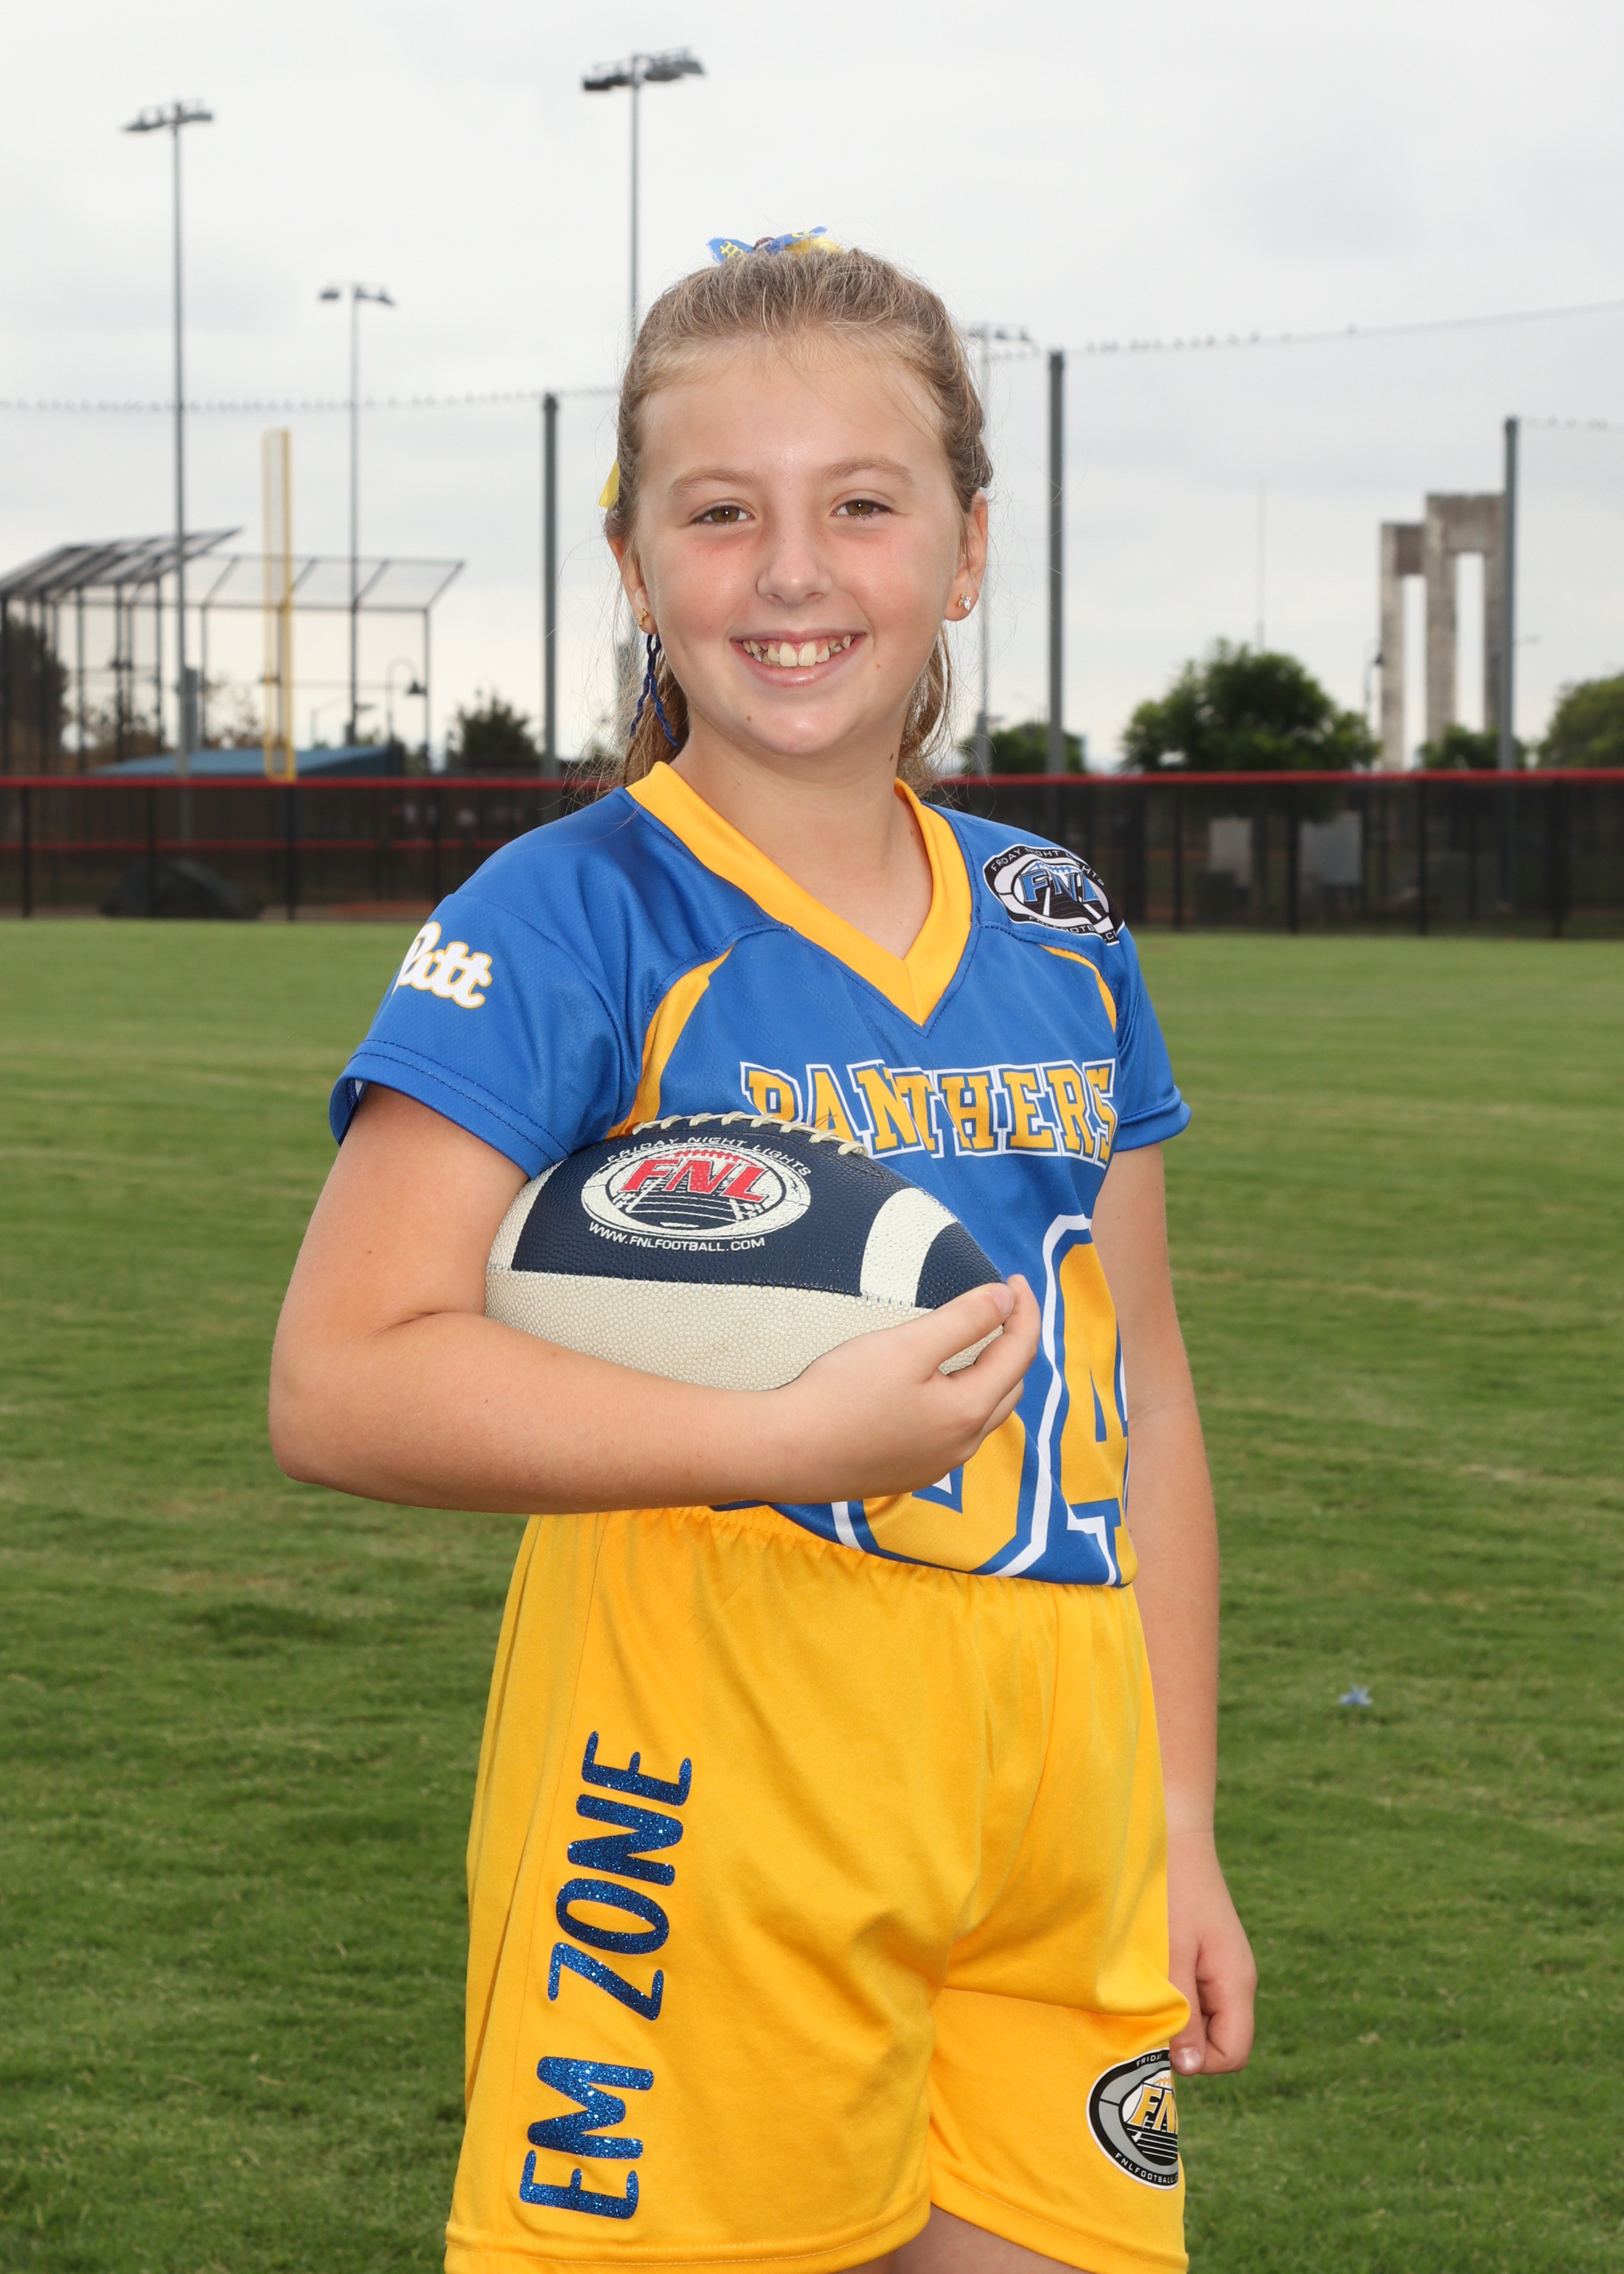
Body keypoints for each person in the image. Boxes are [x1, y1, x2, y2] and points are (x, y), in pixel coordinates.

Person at [270, 236, 1255, 2274]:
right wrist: (784, 1439)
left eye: (861, 504)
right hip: (700, 1803)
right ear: (633, 562)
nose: (791, 571)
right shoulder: (570, 914)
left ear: (965, 547)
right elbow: (342, 1375)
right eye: (721, 512)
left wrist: (1177, 1815)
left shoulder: (1059, 919)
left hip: (1056, 1808)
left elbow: (1140, 1385)